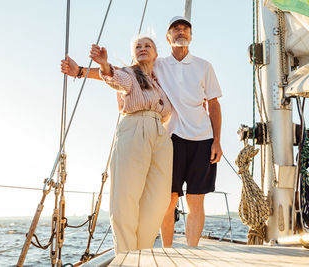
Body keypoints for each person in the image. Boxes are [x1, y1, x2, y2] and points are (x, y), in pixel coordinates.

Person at [61, 16, 222, 248]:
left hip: (188, 138)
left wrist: (216, 140)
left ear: (191, 36)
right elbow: (116, 74)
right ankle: (163, 251)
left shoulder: (198, 67)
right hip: (168, 136)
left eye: (185, 29)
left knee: (182, 200)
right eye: (175, 30)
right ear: (168, 38)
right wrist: (81, 72)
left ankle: (184, 250)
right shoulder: (149, 67)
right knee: (165, 200)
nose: (181, 32)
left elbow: (214, 103)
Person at [75, 36, 173, 254]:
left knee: (159, 200)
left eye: (148, 45)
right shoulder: (129, 73)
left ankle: (143, 251)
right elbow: (116, 79)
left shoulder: (160, 81)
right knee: (126, 198)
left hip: (161, 135)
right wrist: (103, 65)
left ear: (156, 54)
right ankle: (128, 256)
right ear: (133, 54)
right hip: (135, 127)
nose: (143, 49)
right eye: (138, 46)